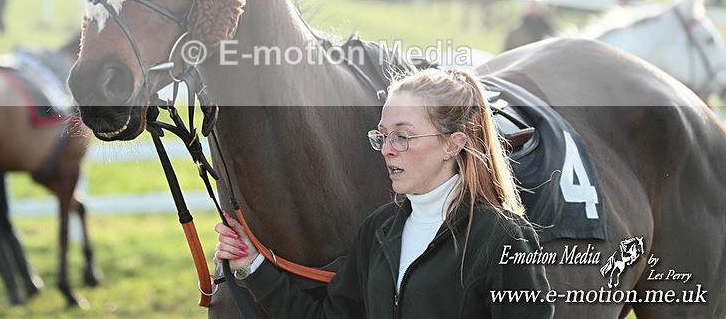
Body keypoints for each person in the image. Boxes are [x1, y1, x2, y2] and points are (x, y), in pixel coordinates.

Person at [215, 68, 553, 318]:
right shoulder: (378, 231)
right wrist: (252, 266)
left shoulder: (503, 236)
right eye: (383, 136)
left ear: (454, 144)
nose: (387, 150)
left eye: (403, 137)